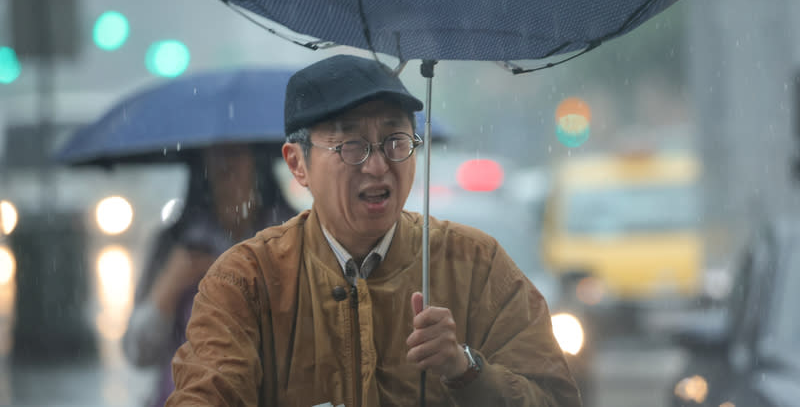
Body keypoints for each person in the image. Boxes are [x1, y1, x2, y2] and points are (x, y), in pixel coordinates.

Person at [167, 55, 582, 406]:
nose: (378, 166)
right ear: (297, 164)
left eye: (395, 141)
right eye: (352, 146)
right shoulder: (246, 280)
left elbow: (555, 397)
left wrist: (466, 369)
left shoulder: (476, 264)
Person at [123, 143, 296, 407]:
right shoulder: (175, 243)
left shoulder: (291, 238)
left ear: (256, 162)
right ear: (202, 167)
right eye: (216, 156)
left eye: (236, 153)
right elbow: (138, 353)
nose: (227, 165)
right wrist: (170, 285)